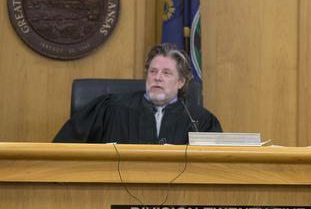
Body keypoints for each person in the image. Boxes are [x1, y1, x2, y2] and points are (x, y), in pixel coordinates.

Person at [53, 43, 222, 145]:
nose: (157, 77)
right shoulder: (110, 108)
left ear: (181, 82)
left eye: (166, 73)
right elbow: (64, 148)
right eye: (153, 71)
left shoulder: (201, 121)